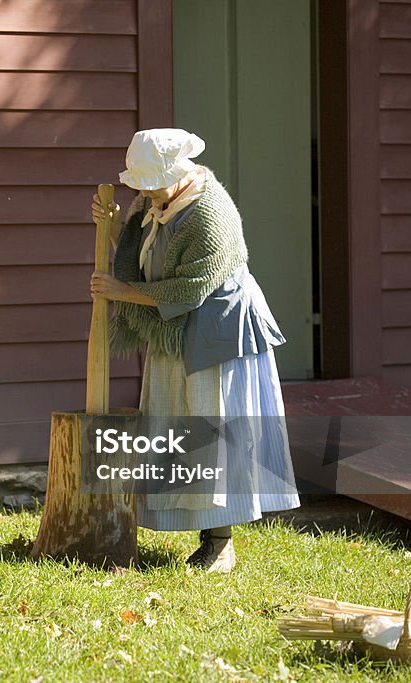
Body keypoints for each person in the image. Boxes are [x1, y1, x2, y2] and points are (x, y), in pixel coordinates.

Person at [90, 128, 300, 572]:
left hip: (217, 333)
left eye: (150, 184)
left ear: (178, 173)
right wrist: (111, 229)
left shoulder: (209, 214)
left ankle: (220, 543)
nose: (144, 193)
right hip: (177, 329)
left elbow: (188, 289)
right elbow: (145, 257)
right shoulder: (155, 202)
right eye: (140, 185)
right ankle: (202, 530)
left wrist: (120, 291)